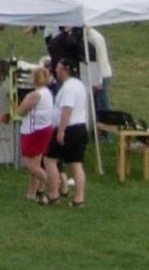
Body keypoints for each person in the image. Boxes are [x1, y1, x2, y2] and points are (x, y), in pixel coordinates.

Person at [52, 54, 94, 209]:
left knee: (50, 159)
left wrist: (61, 130)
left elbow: (67, 110)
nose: (55, 70)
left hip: (70, 128)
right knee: (76, 164)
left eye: (58, 68)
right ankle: (79, 198)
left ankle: (54, 193)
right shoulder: (79, 85)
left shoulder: (68, 87)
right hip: (81, 126)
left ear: (65, 70)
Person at [16, 62, 60, 206]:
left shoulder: (34, 95)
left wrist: (17, 106)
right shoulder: (48, 92)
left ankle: (53, 185)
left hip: (33, 131)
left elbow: (21, 111)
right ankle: (32, 192)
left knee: (30, 165)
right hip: (44, 129)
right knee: (36, 162)